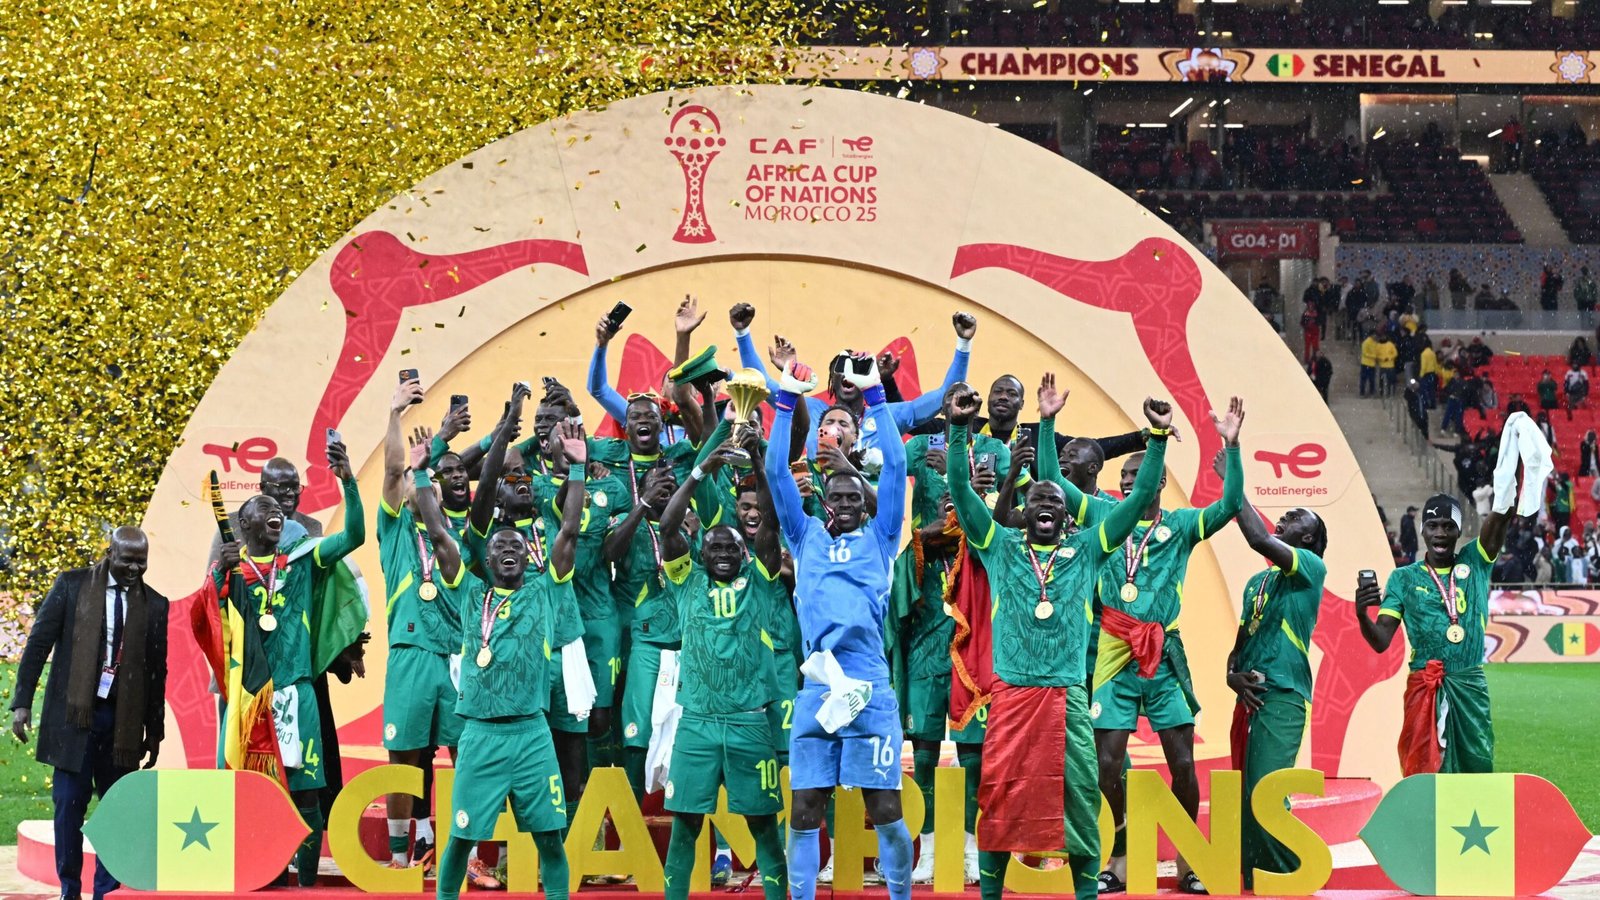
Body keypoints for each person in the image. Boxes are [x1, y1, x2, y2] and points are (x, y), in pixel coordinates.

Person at [945, 381, 1172, 900]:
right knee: (998, 802)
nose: (1045, 504)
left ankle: (1085, 894)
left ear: (1068, 515)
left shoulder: (1090, 548)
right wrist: (958, 430)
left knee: (1080, 802)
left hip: (1067, 698)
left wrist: (1157, 438)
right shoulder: (998, 545)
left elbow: (1140, 498)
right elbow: (960, 490)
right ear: (1024, 511)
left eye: (1054, 499)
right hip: (1011, 698)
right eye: (1036, 499)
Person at [423, 387, 590, 900]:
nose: (509, 550)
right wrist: (420, 474)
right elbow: (440, 532)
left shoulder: (544, 588)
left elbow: (567, 532)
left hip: (532, 734)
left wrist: (578, 470)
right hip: (479, 736)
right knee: (459, 841)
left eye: (516, 545)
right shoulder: (469, 590)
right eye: (499, 548)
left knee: (550, 842)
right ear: (487, 560)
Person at [1084, 379, 1242, 895]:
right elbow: (1057, 482)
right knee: (1107, 763)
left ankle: (1188, 858)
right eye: (1123, 479)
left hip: (1163, 657)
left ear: (1158, 481)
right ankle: (1122, 853)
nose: (1128, 484)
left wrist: (1233, 448)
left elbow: (1230, 505)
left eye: (1136, 476)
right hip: (1114, 655)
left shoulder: (1183, 525)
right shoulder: (1105, 517)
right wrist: (1044, 426)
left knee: (1183, 762)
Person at [764, 354, 913, 900]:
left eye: (854, 497)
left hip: (869, 685)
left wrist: (876, 396)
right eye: (838, 497)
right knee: (804, 808)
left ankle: (900, 895)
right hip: (818, 687)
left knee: (886, 809)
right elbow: (776, 473)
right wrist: (785, 402)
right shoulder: (804, 538)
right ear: (825, 503)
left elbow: (895, 468)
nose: (847, 503)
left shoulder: (882, 538)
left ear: (864, 504)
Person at [215, 436, 366, 884]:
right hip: (251, 699)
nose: (276, 511)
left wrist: (348, 482)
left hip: (298, 695)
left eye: (279, 508)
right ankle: (267, 874)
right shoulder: (231, 569)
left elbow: (354, 536)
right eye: (264, 507)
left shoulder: (302, 559)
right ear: (244, 524)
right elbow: (210, 625)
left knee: (306, 794)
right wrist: (219, 576)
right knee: (253, 793)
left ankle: (306, 884)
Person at [657, 430, 788, 900]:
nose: (725, 554)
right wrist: (700, 471)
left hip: (749, 723)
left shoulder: (760, 580)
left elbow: (771, 522)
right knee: (685, 827)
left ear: (745, 553)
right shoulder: (685, 581)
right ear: (701, 554)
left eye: (733, 547)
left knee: (764, 829)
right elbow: (668, 526)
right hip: (697, 723)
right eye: (715, 547)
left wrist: (756, 459)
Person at [12, 527, 167, 900]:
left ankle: (106, 893)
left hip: (122, 725)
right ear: (110, 553)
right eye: (127, 560)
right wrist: (22, 702)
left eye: (141, 562)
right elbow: (38, 645)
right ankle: (70, 889)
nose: (134, 568)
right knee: (68, 807)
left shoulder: (155, 604)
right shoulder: (71, 585)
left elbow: (156, 671)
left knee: (115, 812)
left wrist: (154, 731)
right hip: (75, 720)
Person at [1223, 439, 1329, 888]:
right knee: (1247, 792)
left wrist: (1232, 477)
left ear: (1307, 539)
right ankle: (1254, 879)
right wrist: (1232, 676)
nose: (1283, 518)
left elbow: (1257, 537)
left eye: (1294, 517)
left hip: (1284, 694)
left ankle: (1288, 876)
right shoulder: (1257, 582)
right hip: (1251, 696)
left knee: (1267, 791)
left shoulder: (1311, 568)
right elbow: (1239, 644)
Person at [1355, 493, 1509, 774]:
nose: (1440, 533)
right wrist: (1362, 615)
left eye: (1449, 526)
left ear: (1459, 531)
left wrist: (1510, 480)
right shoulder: (1403, 579)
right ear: (1422, 530)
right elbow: (1380, 640)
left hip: (1468, 683)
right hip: (1424, 685)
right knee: (1421, 768)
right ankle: (1426, 804)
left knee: (1476, 764)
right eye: (1433, 525)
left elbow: (1499, 520)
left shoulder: (1475, 561)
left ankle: (1469, 803)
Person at [377, 378, 463, 872]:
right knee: (405, 757)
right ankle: (397, 856)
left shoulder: (453, 534)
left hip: (455, 658)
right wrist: (395, 413)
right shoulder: (394, 531)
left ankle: (469, 853)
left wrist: (437, 455)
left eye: (420, 477)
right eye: (411, 478)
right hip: (411, 656)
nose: (411, 481)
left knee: (467, 753)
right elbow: (393, 470)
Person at [733, 302, 976, 457]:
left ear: (868, 376)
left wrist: (963, 343)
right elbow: (761, 382)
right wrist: (742, 333)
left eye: (855, 366)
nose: (847, 372)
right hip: (817, 515)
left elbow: (947, 394)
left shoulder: (888, 416)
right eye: (840, 366)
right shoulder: (810, 410)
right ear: (832, 378)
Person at [1358, 332, 1379, 397]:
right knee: (1365, 379)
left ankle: (1369, 392)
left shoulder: (1374, 343)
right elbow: (1365, 353)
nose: (1375, 336)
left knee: (1370, 379)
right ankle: (1363, 392)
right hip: (1366, 363)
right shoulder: (1366, 342)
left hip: (1370, 363)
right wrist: (1374, 356)